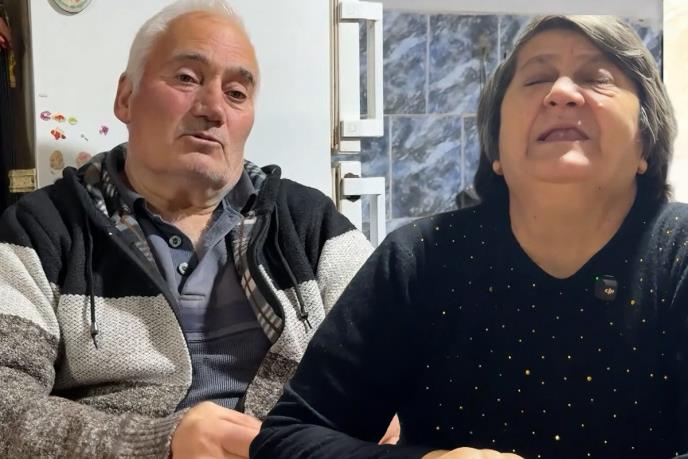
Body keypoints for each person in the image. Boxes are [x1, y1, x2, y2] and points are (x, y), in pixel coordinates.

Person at [251, 15, 688, 459]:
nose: (560, 93)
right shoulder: (419, 259)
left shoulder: (680, 254)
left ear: (646, 143)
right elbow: (286, 438)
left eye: (597, 78)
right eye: (536, 78)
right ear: (495, 147)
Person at [0, 0, 376, 457]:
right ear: (126, 98)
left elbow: (403, 352)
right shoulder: (41, 230)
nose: (213, 109)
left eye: (236, 93)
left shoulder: (310, 223)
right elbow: (6, 409)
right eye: (186, 78)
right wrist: (159, 444)